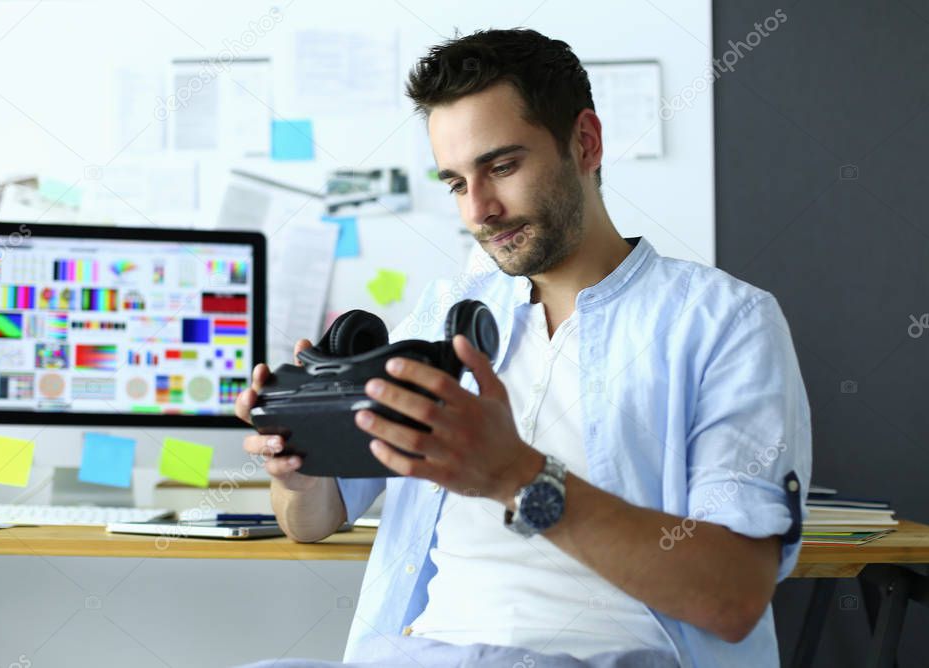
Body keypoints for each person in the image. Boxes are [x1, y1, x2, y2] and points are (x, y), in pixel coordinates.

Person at [236, 28, 811, 668]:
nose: (479, 209)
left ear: (585, 143)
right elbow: (312, 518)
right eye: (456, 183)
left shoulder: (725, 324)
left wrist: (518, 476)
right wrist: (295, 466)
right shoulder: (438, 316)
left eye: (502, 167)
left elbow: (733, 597)